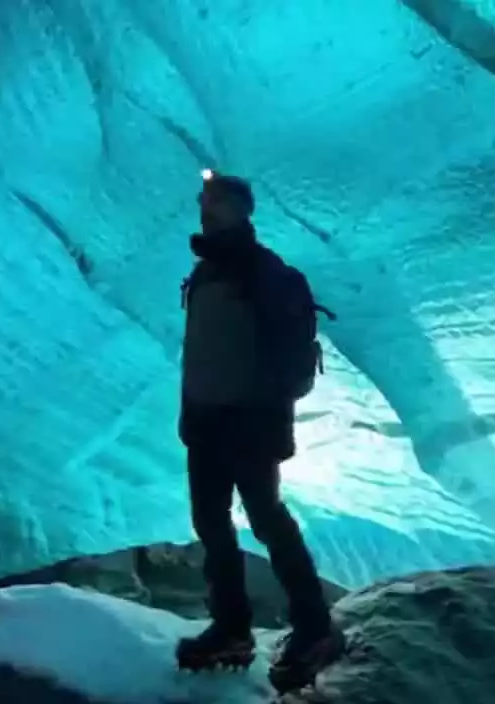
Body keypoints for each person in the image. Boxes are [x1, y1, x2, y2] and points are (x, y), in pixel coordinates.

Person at [176, 171, 344, 688]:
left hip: (246, 424)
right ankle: (231, 627)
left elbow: (288, 360)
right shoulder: (205, 272)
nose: (206, 207)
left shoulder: (264, 272)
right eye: (205, 199)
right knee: (212, 524)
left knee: (268, 520)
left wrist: (262, 416)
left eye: (217, 201)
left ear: (242, 211)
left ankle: (314, 627)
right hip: (205, 423)